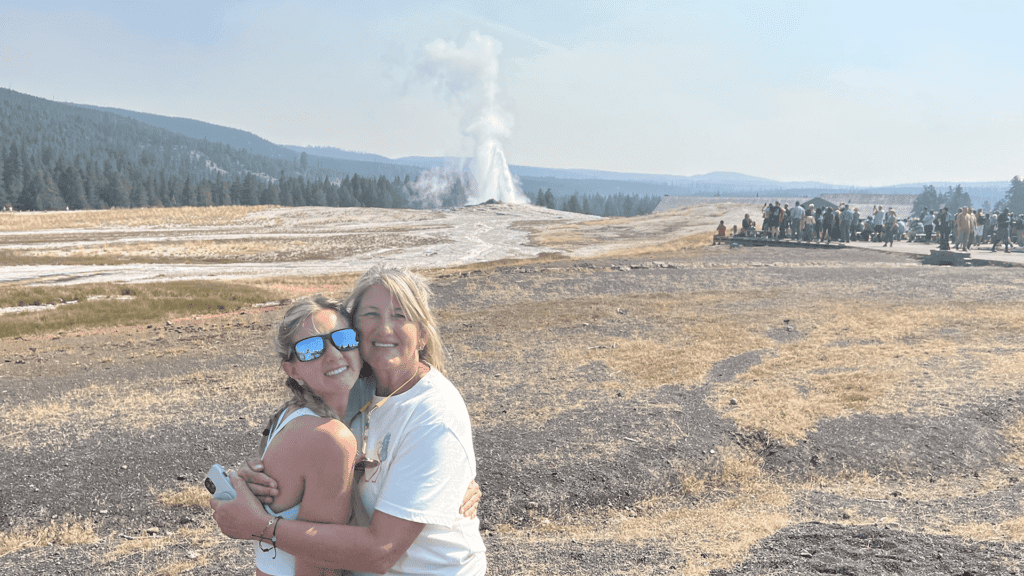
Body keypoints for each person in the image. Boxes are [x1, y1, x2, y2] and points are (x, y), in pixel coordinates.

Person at [213, 266, 487, 576]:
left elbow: (379, 552)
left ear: (422, 333)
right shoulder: (355, 387)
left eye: (400, 315)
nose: (384, 329)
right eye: (371, 315)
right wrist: (263, 466)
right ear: (356, 330)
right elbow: (305, 432)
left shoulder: (433, 414)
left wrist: (261, 526)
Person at [244, 296, 364, 576]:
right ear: (292, 370)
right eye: (311, 348)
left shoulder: (291, 414)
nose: (334, 354)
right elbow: (318, 565)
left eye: (344, 338)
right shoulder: (329, 437)